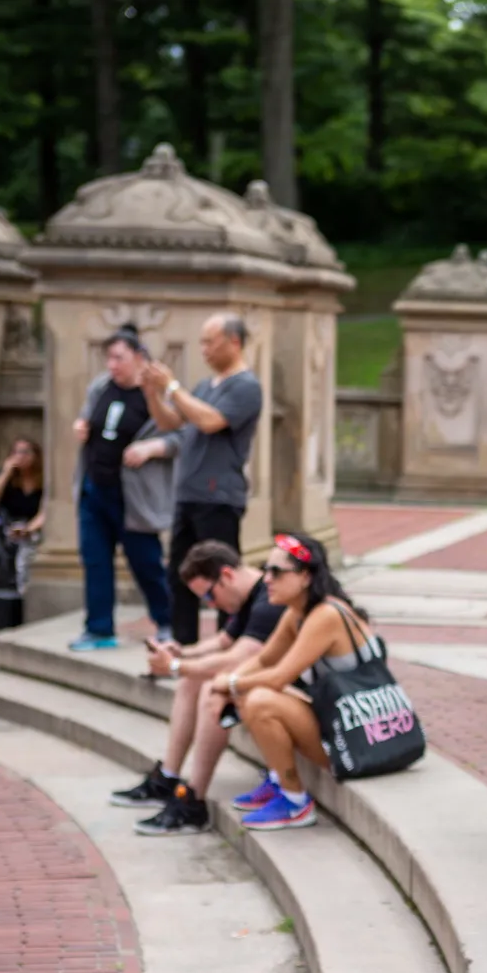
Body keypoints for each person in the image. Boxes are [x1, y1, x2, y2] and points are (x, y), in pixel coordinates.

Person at [112, 541, 285, 836]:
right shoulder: (249, 596)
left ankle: (193, 801)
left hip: (300, 693)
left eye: (209, 595)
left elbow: (235, 658)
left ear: (227, 575)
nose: (211, 605)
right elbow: (222, 642)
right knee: (195, 679)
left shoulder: (267, 602)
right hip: (275, 683)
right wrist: (180, 654)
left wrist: (175, 667)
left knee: (214, 688)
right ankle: (168, 778)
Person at [211, 533, 378, 832]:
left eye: (276, 572)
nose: (266, 580)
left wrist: (229, 683)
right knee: (250, 693)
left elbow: (278, 676)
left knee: (260, 700)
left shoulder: (326, 615)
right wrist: (228, 684)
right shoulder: (298, 613)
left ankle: (295, 802)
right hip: (346, 722)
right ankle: (279, 780)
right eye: (265, 569)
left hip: (361, 737)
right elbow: (263, 660)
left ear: (304, 577)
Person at [142, 313, 263, 646]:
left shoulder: (247, 386)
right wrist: (153, 393)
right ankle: (183, 648)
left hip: (219, 498)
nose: (204, 349)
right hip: (188, 495)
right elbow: (171, 422)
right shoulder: (203, 386)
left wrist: (171, 386)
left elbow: (211, 421)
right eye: (202, 342)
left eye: (210, 342)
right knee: (180, 576)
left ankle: (231, 644)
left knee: (224, 578)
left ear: (234, 342)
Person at [71, 329, 178, 650]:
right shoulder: (100, 387)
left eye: (119, 358)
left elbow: (180, 435)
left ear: (139, 358)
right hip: (95, 490)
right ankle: (99, 628)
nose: (112, 365)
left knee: (146, 563)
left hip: (133, 497)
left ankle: (168, 622)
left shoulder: (157, 394)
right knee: (95, 560)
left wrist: (152, 448)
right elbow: (88, 417)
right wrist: (81, 426)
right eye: (109, 358)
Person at [0, 437, 46, 589]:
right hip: (5, 527)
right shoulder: (3, 475)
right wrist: (6, 473)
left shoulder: (44, 480)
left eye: (25, 452)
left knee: (28, 548)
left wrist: (29, 529)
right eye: (16, 452)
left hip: (31, 528)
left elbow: (46, 512)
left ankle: (24, 590)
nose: (20, 456)